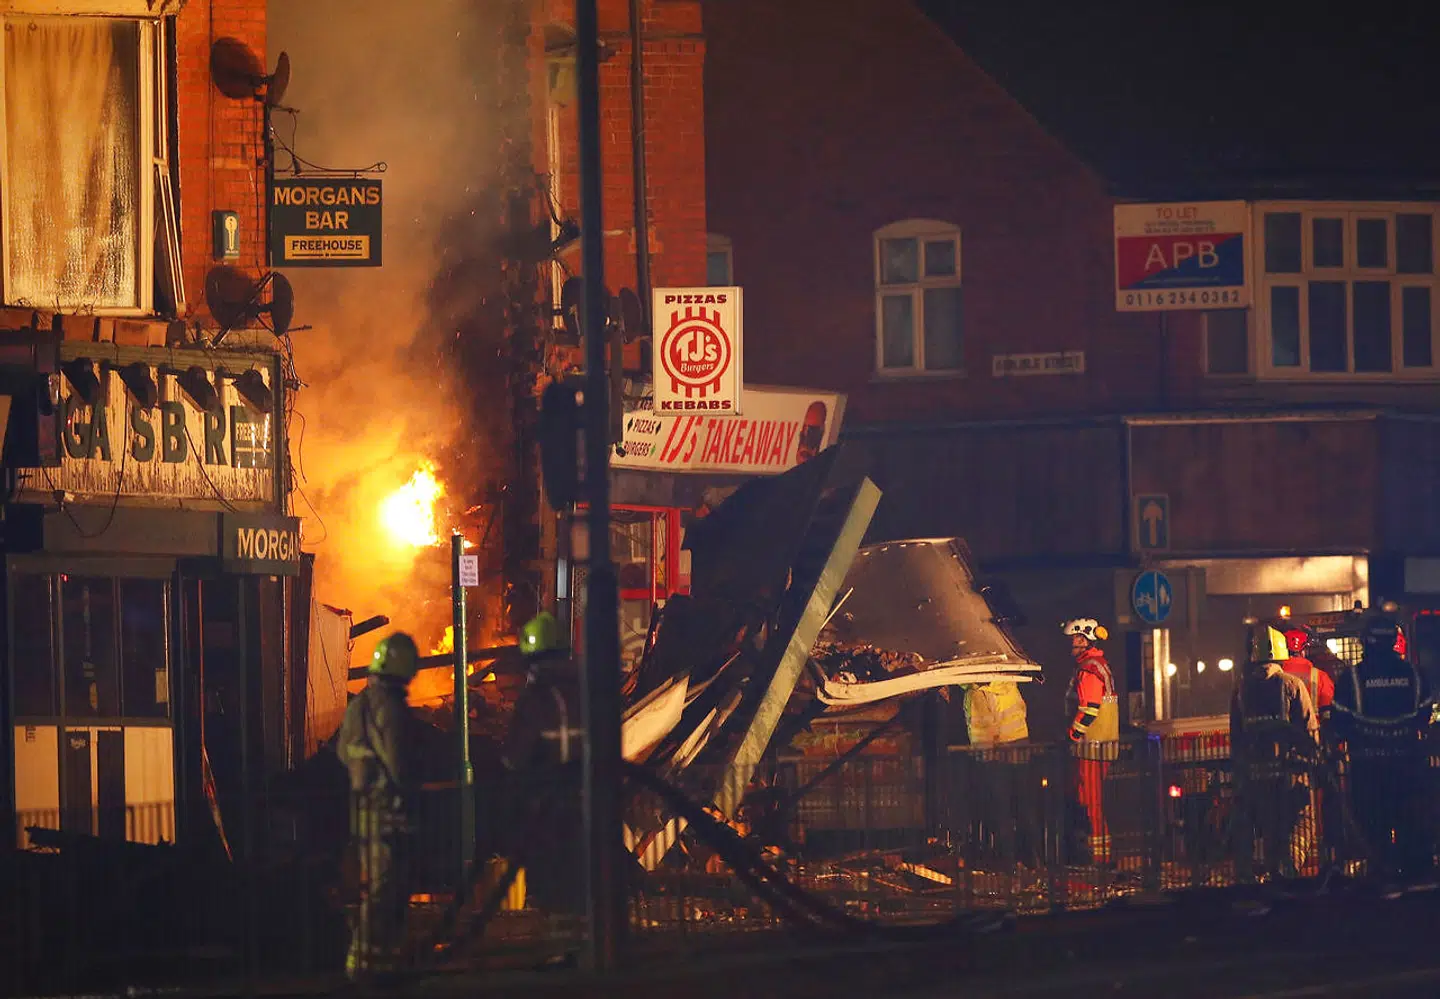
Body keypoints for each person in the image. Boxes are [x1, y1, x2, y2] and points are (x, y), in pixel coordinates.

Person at [336, 631, 421, 983]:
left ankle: (373, 962)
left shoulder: (360, 704)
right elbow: (401, 764)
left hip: (363, 809)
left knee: (376, 886)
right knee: (390, 888)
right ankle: (374, 965)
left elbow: (344, 751)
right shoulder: (390, 708)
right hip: (388, 810)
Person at [1331, 613, 1432, 893]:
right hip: (1408, 764)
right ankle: (1417, 878)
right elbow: (1423, 716)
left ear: (1366, 642)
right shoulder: (1414, 675)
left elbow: (1340, 724)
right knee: (1410, 821)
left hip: (1368, 767)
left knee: (1373, 824)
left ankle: (1381, 875)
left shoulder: (1351, 679)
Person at [501, 612, 585, 918]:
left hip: (546, 815)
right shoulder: (588, 694)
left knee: (552, 895)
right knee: (581, 892)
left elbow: (514, 757)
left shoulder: (535, 700)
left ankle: (559, 952)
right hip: (586, 811)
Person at [1231, 624, 1320, 883]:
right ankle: (1287, 871)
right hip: (1290, 775)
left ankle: (1265, 880)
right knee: (1302, 822)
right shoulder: (1292, 684)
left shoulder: (1241, 690)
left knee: (1269, 828)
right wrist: (1313, 760)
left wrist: (1242, 771)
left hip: (1256, 775)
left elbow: (1236, 736)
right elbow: (1308, 729)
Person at [1061, 618, 1119, 866]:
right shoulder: (1097, 665)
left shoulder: (1088, 670)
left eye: (1074, 640)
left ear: (1085, 640)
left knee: (1092, 804)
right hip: (1100, 744)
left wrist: (1072, 735)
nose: (1072, 645)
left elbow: (1090, 709)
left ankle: (1100, 859)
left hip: (1092, 746)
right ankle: (1101, 855)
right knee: (1090, 802)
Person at [961, 681, 1036, 869]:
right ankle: (1032, 859)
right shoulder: (1009, 685)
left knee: (1001, 809)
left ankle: (1008, 863)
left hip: (996, 754)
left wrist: (983, 758)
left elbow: (983, 729)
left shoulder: (977, 693)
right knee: (1023, 805)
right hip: (1020, 745)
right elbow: (1021, 710)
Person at [1282, 625, 1335, 719]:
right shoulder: (1320, 677)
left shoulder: (1273, 675)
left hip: (1281, 731)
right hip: (1312, 731)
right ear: (1303, 651)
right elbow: (1328, 714)